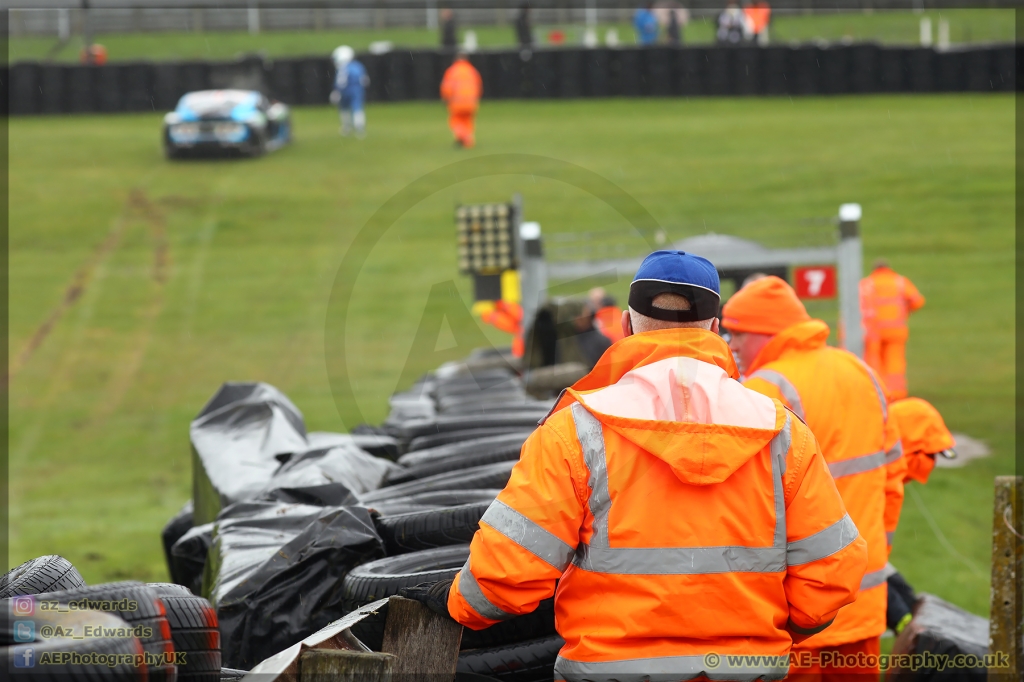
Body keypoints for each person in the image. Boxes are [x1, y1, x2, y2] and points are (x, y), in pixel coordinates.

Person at [402, 251, 868, 681]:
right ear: (716, 327)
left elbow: (507, 577)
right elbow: (832, 574)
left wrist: (454, 602)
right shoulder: (783, 431)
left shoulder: (576, 430)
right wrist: (760, 637)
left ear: (624, 325)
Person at [721, 275, 905, 682]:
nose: (731, 344)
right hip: (862, 599)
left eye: (737, 332)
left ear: (766, 333)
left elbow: (745, 508)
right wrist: (875, 554)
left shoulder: (763, 388)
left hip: (796, 613)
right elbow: (893, 478)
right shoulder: (861, 371)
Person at [860, 259, 925, 399]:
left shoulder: (867, 284)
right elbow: (918, 301)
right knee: (895, 361)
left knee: (876, 361)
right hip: (896, 330)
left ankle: (880, 392)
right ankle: (897, 393)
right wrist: (906, 310)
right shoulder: (900, 282)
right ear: (888, 269)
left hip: (874, 331)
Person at [440, 52, 482, 148]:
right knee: (467, 121)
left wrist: (445, 98)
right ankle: (466, 139)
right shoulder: (473, 71)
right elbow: (478, 86)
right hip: (471, 102)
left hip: (457, 102)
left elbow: (447, 87)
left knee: (456, 120)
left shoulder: (452, 71)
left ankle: (463, 138)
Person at [329, 46, 369, 138]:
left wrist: (337, 92)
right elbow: (365, 80)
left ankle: (347, 127)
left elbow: (340, 82)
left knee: (344, 109)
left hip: (346, 91)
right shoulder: (359, 66)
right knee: (357, 108)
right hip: (358, 90)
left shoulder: (343, 68)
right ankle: (359, 128)